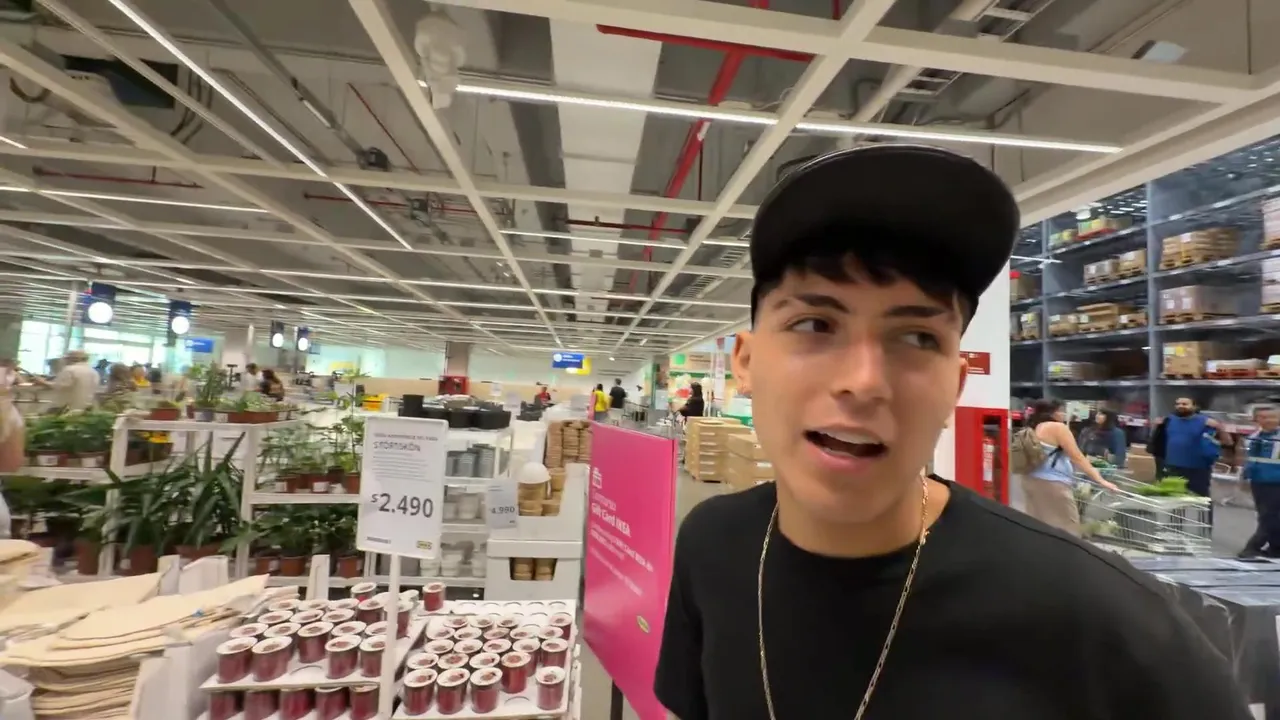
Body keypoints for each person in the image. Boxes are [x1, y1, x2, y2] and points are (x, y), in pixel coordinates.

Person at [653, 145, 1248, 720]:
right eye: (814, 324)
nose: (864, 383)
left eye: (917, 338)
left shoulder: (1113, 628)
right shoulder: (713, 545)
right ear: (746, 362)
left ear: (956, 385)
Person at [1015, 398, 1117, 536]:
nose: (1064, 414)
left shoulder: (1032, 427)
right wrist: (1101, 480)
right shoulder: (1057, 428)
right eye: (1062, 411)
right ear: (1053, 412)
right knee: (1068, 529)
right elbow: (1077, 457)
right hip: (1052, 484)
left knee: (1038, 527)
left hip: (1030, 480)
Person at [1148, 397, 1229, 497]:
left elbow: (1227, 442)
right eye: (1178, 404)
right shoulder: (1167, 421)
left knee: (1200, 499)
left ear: (1194, 406)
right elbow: (1156, 442)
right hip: (1173, 467)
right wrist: (1156, 426)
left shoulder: (1206, 422)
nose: (1180, 406)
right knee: (1173, 498)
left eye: (1185, 404)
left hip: (1198, 469)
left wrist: (1219, 428)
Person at [1240, 405, 1280, 558]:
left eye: (1271, 417)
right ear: (1256, 419)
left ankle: (1252, 547)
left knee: (1269, 517)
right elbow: (1249, 460)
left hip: (1276, 482)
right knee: (1269, 516)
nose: (1267, 420)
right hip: (1258, 482)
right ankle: (1275, 548)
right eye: (1262, 417)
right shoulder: (1253, 437)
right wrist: (1243, 477)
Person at [32, 350, 99, 411]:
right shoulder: (93, 372)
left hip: (66, 407)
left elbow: (60, 386)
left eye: (67, 358)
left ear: (74, 359)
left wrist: (43, 382)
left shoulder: (70, 370)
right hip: (85, 408)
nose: (65, 360)